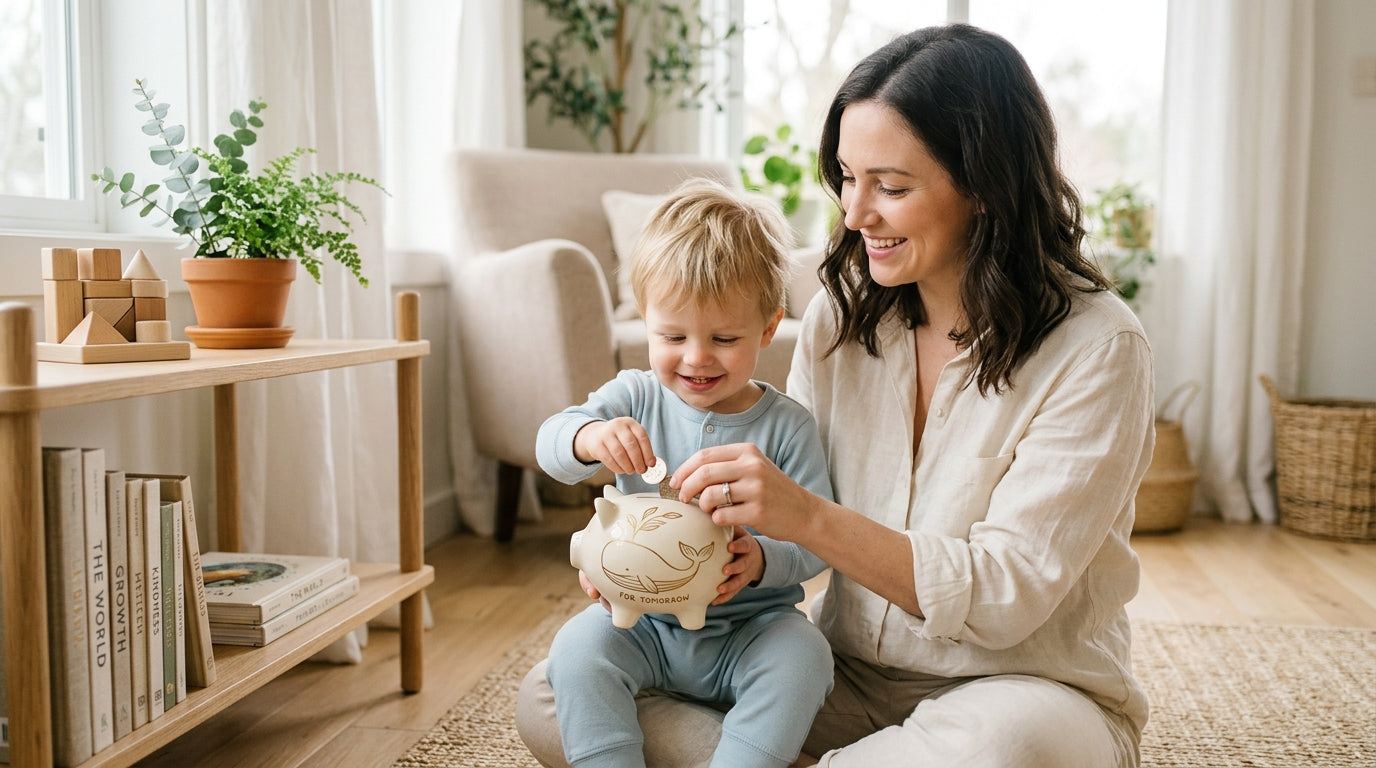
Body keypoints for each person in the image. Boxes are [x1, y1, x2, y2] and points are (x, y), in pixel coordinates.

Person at [517, 23, 1155, 768]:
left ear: (986, 185)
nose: (854, 214)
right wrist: (665, 563)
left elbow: (1005, 594)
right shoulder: (844, 315)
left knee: (1005, 749)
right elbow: (764, 524)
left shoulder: (1097, 345)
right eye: (848, 178)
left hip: (1019, 689)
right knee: (554, 693)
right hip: (844, 677)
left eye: (891, 186)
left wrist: (806, 517)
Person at [533, 178, 836, 768]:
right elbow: (550, 445)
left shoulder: (787, 427)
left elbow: (814, 541)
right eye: (672, 336)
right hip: (642, 626)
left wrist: (763, 560)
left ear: (768, 329)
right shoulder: (634, 397)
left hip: (750, 630)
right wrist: (589, 437)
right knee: (575, 649)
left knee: (806, 655)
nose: (696, 358)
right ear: (646, 321)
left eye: (724, 338)